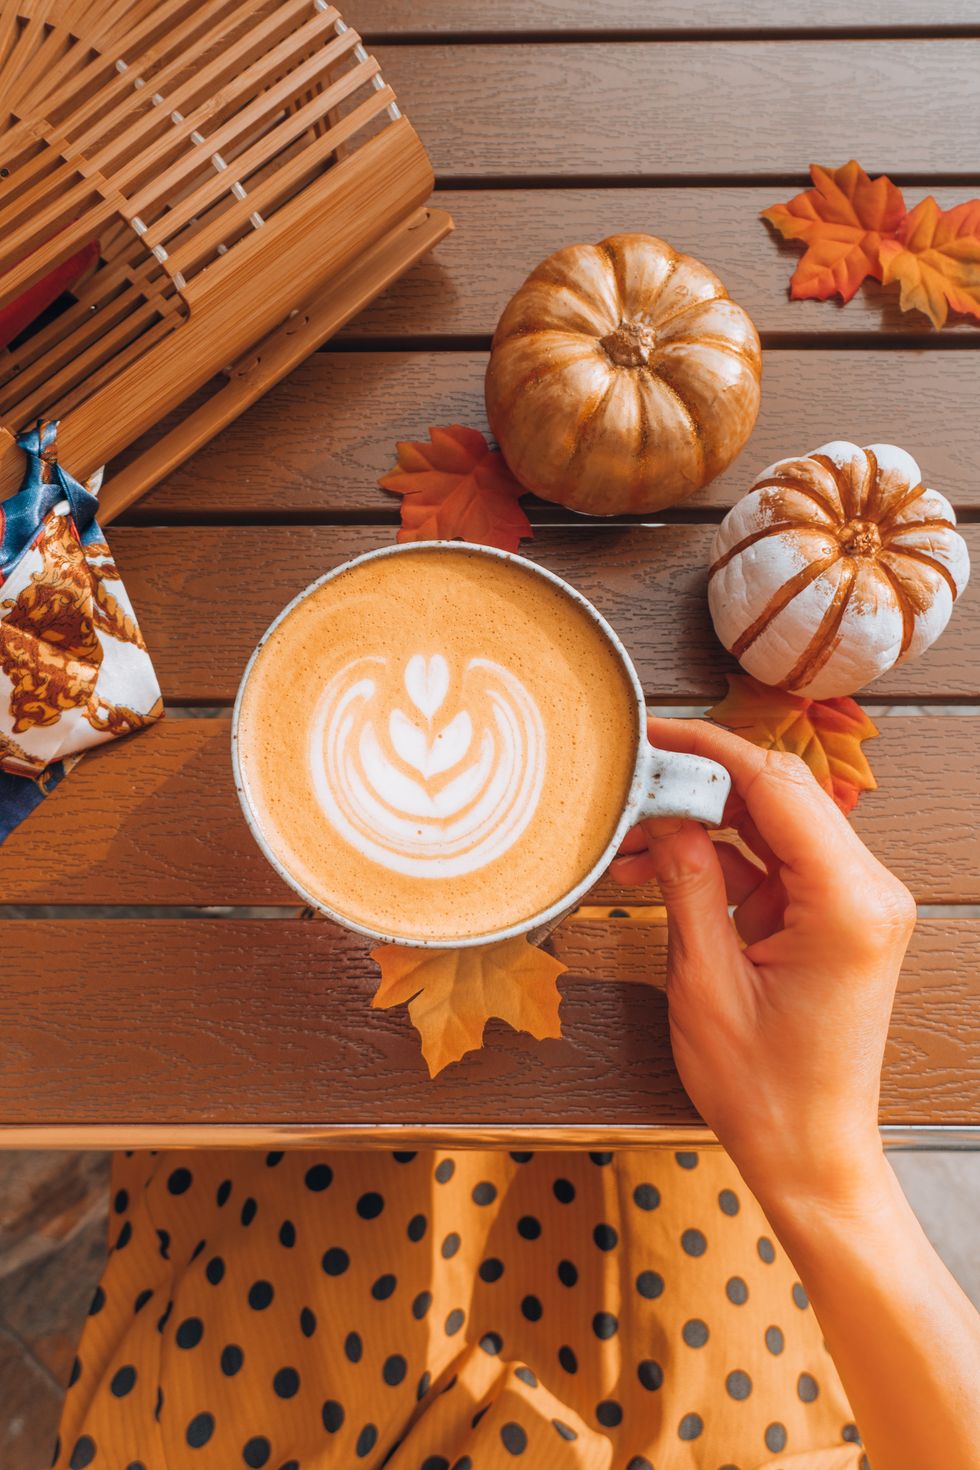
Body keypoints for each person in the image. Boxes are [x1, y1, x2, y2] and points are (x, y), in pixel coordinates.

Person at [54, 721, 980, 1470]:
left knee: (275, 1103)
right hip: (730, 1413)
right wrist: (825, 1175)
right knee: (684, 1175)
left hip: (274, 1407)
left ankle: (365, 864)